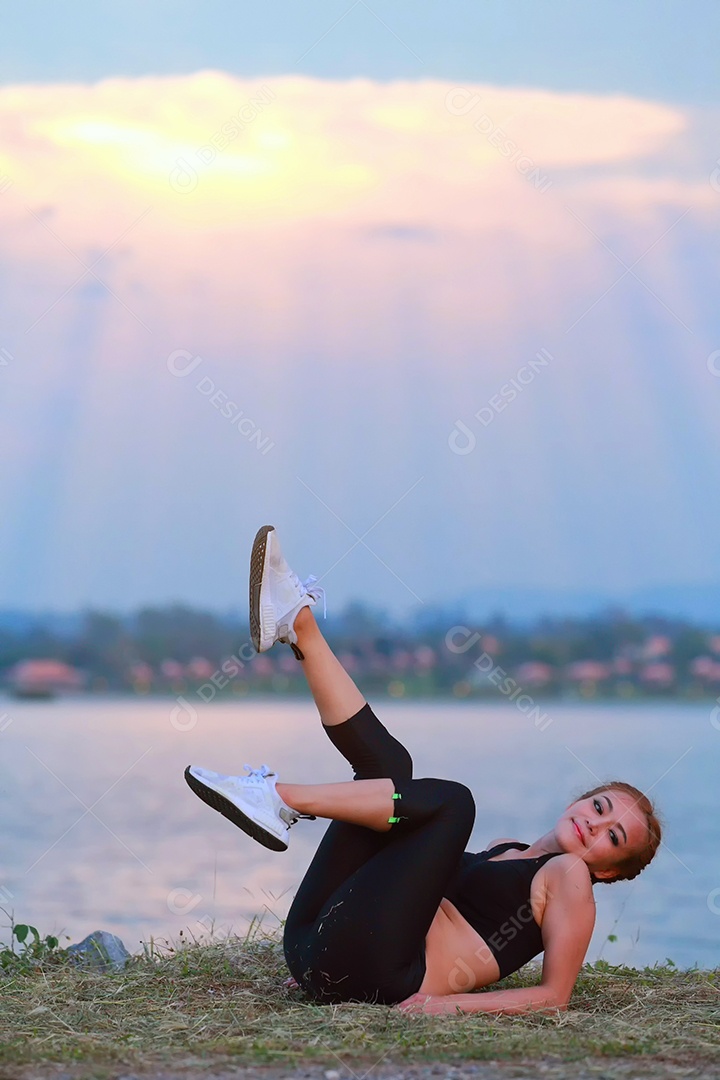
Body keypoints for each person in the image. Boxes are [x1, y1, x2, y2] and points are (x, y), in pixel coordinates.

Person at [185, 526, 662, 1015]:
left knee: (455, 803)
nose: (596, 823)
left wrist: (448, 1008)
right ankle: (296, 623)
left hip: (379, 974)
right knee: (391, 772)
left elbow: (554, 997)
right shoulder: (508, 850)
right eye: (600, 806)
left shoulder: (571, 879)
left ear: (608, 868)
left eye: (614, 837)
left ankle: (277, 797)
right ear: (579, 800)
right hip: (316, 946)